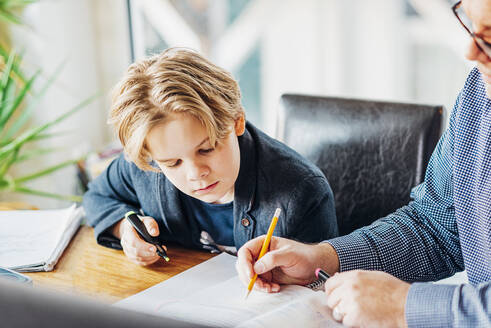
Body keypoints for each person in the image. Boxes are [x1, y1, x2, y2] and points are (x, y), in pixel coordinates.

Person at [236, 0, 491, 327]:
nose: (470, 51)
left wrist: (405, 306)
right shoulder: (477, 96)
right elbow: (436, 228)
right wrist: (325, 258)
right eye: (472, 24)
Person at [83, 48, 338, 266]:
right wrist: (125, 228)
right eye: (173, 163)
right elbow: (97, 196)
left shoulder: (302, 192)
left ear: (237, 121)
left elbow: (320, 286)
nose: (196, 174)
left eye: (206, 149)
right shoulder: (147, 163)